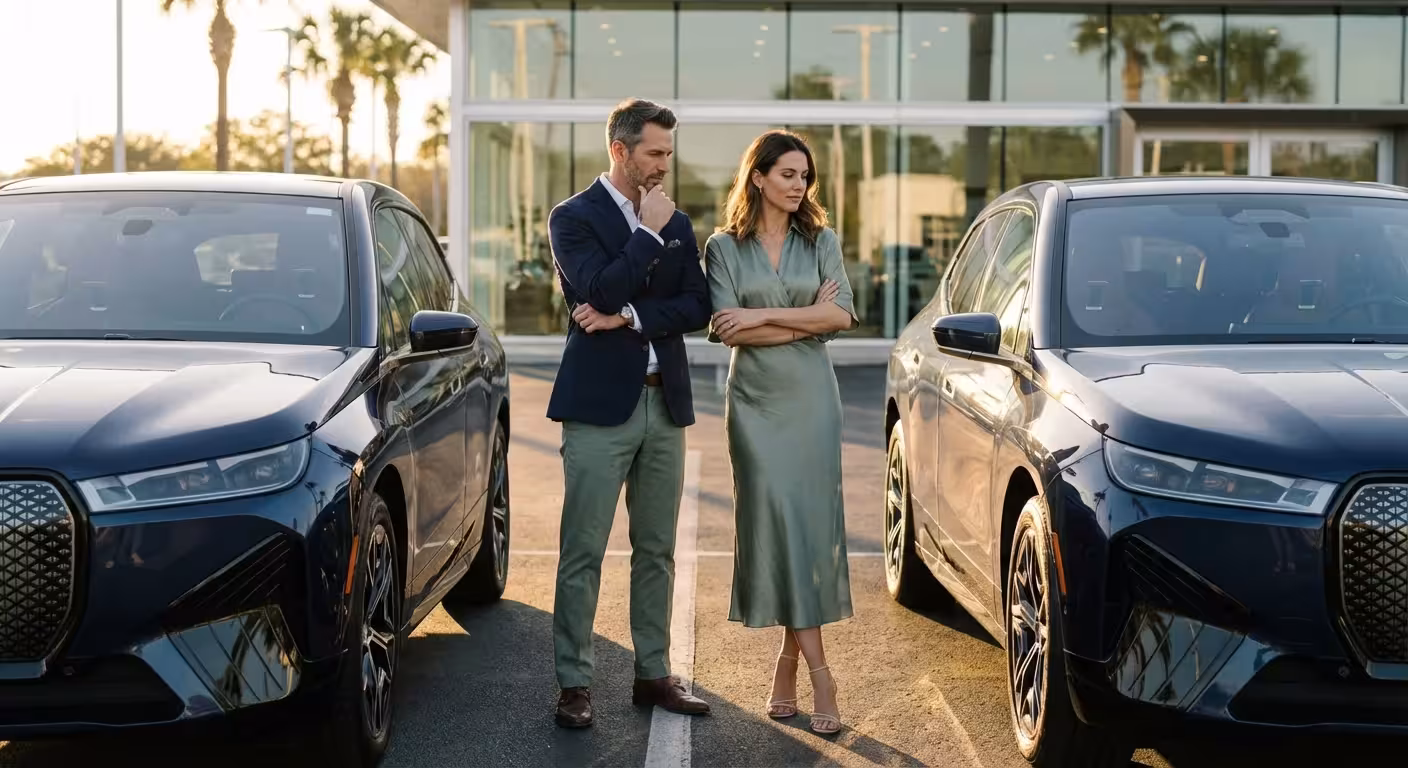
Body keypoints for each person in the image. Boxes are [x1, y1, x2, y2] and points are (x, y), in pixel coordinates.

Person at [545, 97, 713, 729]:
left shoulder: (678, 220)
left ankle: (653, 674)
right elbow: (598, 290)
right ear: (620, 149)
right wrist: (645, 235)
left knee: (658, 550)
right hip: (596, 409)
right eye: (654, 153)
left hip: (663, 404)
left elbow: (696, 305)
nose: (664, 164)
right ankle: (574, 684)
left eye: (669, 153)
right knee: (583, 549)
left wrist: (632, 317)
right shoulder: (574, 218)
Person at [705, 129, 858, 736]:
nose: (799, 186)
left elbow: (841, 314)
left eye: (805, 178)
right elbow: (726, 329)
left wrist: (765, 313)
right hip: (756, 407)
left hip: (813, 403)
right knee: (776, 523)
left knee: (808, 528)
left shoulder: (822, 239)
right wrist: (806, 322)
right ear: (759, 176)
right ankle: (822, 671)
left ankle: (793, 664)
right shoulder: (722, 246)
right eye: (789, 175)